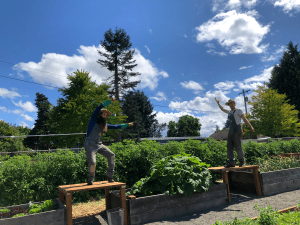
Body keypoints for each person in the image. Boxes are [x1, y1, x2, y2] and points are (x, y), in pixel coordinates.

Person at [84, 98, 134, 185]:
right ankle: (90, 179)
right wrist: (109, 101)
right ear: (100, 114)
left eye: (106, 115)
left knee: (111, 155)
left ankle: (109, 175)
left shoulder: (105, 125)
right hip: (90, 144)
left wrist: (126, 125)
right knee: (92, 162)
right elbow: (98, 107)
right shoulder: (93, 120)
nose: (105, 116)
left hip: (99, 144)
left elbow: (116, 126)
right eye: (104, 114)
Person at [215, 97, 255, 168]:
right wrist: (218, 103)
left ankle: (242, 161)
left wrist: (251, 126)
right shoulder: (230, 112)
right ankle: (231, 162)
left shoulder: (238, 111)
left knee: (237, 146)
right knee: (229, 146)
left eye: (232, 104)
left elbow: (244, 119)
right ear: (229, 105)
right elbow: (222, 109)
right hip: (231, 130)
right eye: (230, 104)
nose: (231, 105)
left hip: (237, 129)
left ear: (234, 104)